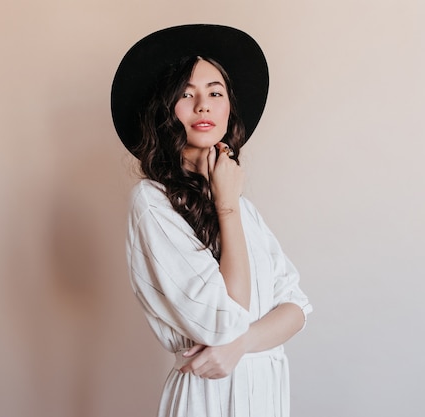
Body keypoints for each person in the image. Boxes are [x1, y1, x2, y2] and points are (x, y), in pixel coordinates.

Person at [111, 24, 313, 417]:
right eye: (187, 94)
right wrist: (225, 204)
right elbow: (224, 322)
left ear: (229, 109)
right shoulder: (153, 203)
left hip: (266, 396)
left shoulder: (243, 209)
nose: (203, 105)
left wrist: (242, 344)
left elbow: (297, 308)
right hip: (210, 396)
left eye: (215, 92)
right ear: (166, 111)